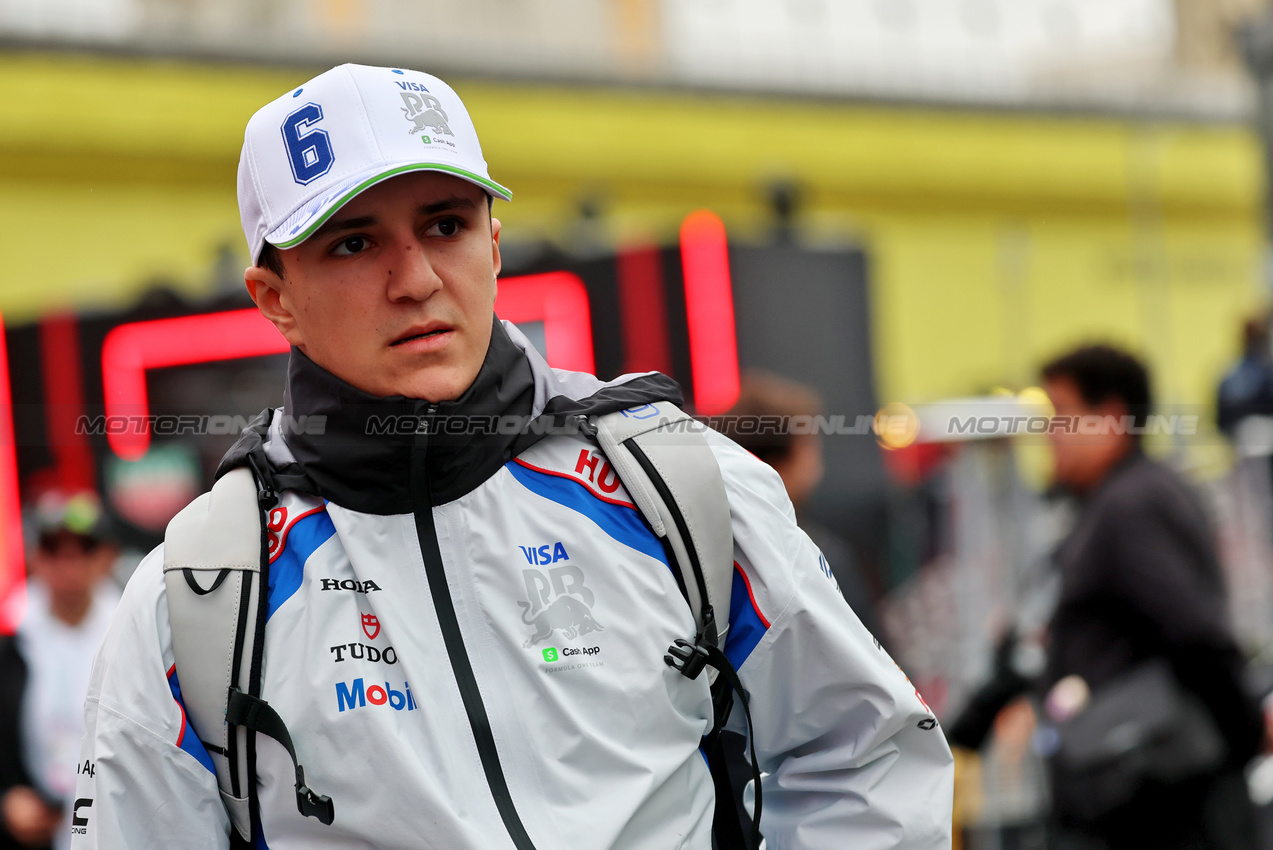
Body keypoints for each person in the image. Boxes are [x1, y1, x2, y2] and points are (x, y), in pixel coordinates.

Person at [71, 64, 953, 849]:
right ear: (274, 299)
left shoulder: (674, 484)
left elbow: (865, 760)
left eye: (445, 223)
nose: (414, 278)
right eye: (352, 242)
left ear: (493, 245)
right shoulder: (199, 591)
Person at [1041, 345, 1262, 850]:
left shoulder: (1134, 504)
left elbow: (1194, 628)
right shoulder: (1118, 500)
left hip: (1162, 797)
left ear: (1112, 417)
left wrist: (1244, 729)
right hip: (1143, 790)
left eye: (1062, 415)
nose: (1050, 434)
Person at [721, 371, 883, 639]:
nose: (816, 465)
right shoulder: (817, 561)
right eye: (808, 446)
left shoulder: (703, 555)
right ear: (779, 464)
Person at [1, 492, 118, 850]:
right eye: (54, 549)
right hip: (33, 832)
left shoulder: (133, 636)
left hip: (114, 825)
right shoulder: (10, 637)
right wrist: (5, 798)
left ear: (107, 556)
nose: (70, 563)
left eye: (84, 548)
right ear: (36, 557)